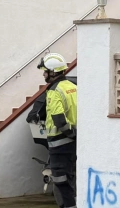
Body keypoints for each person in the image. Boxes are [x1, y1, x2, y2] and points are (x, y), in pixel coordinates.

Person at [38, 53, 78, 208]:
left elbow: (59, 120)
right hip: (73, 144)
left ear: (53, 72)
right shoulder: (73, 87)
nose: (43, 74)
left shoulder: (54, 91)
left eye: (45, 71)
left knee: (61, 181)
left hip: (59, 144)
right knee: (70, 178)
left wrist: (70, 134)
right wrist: (75, 135)